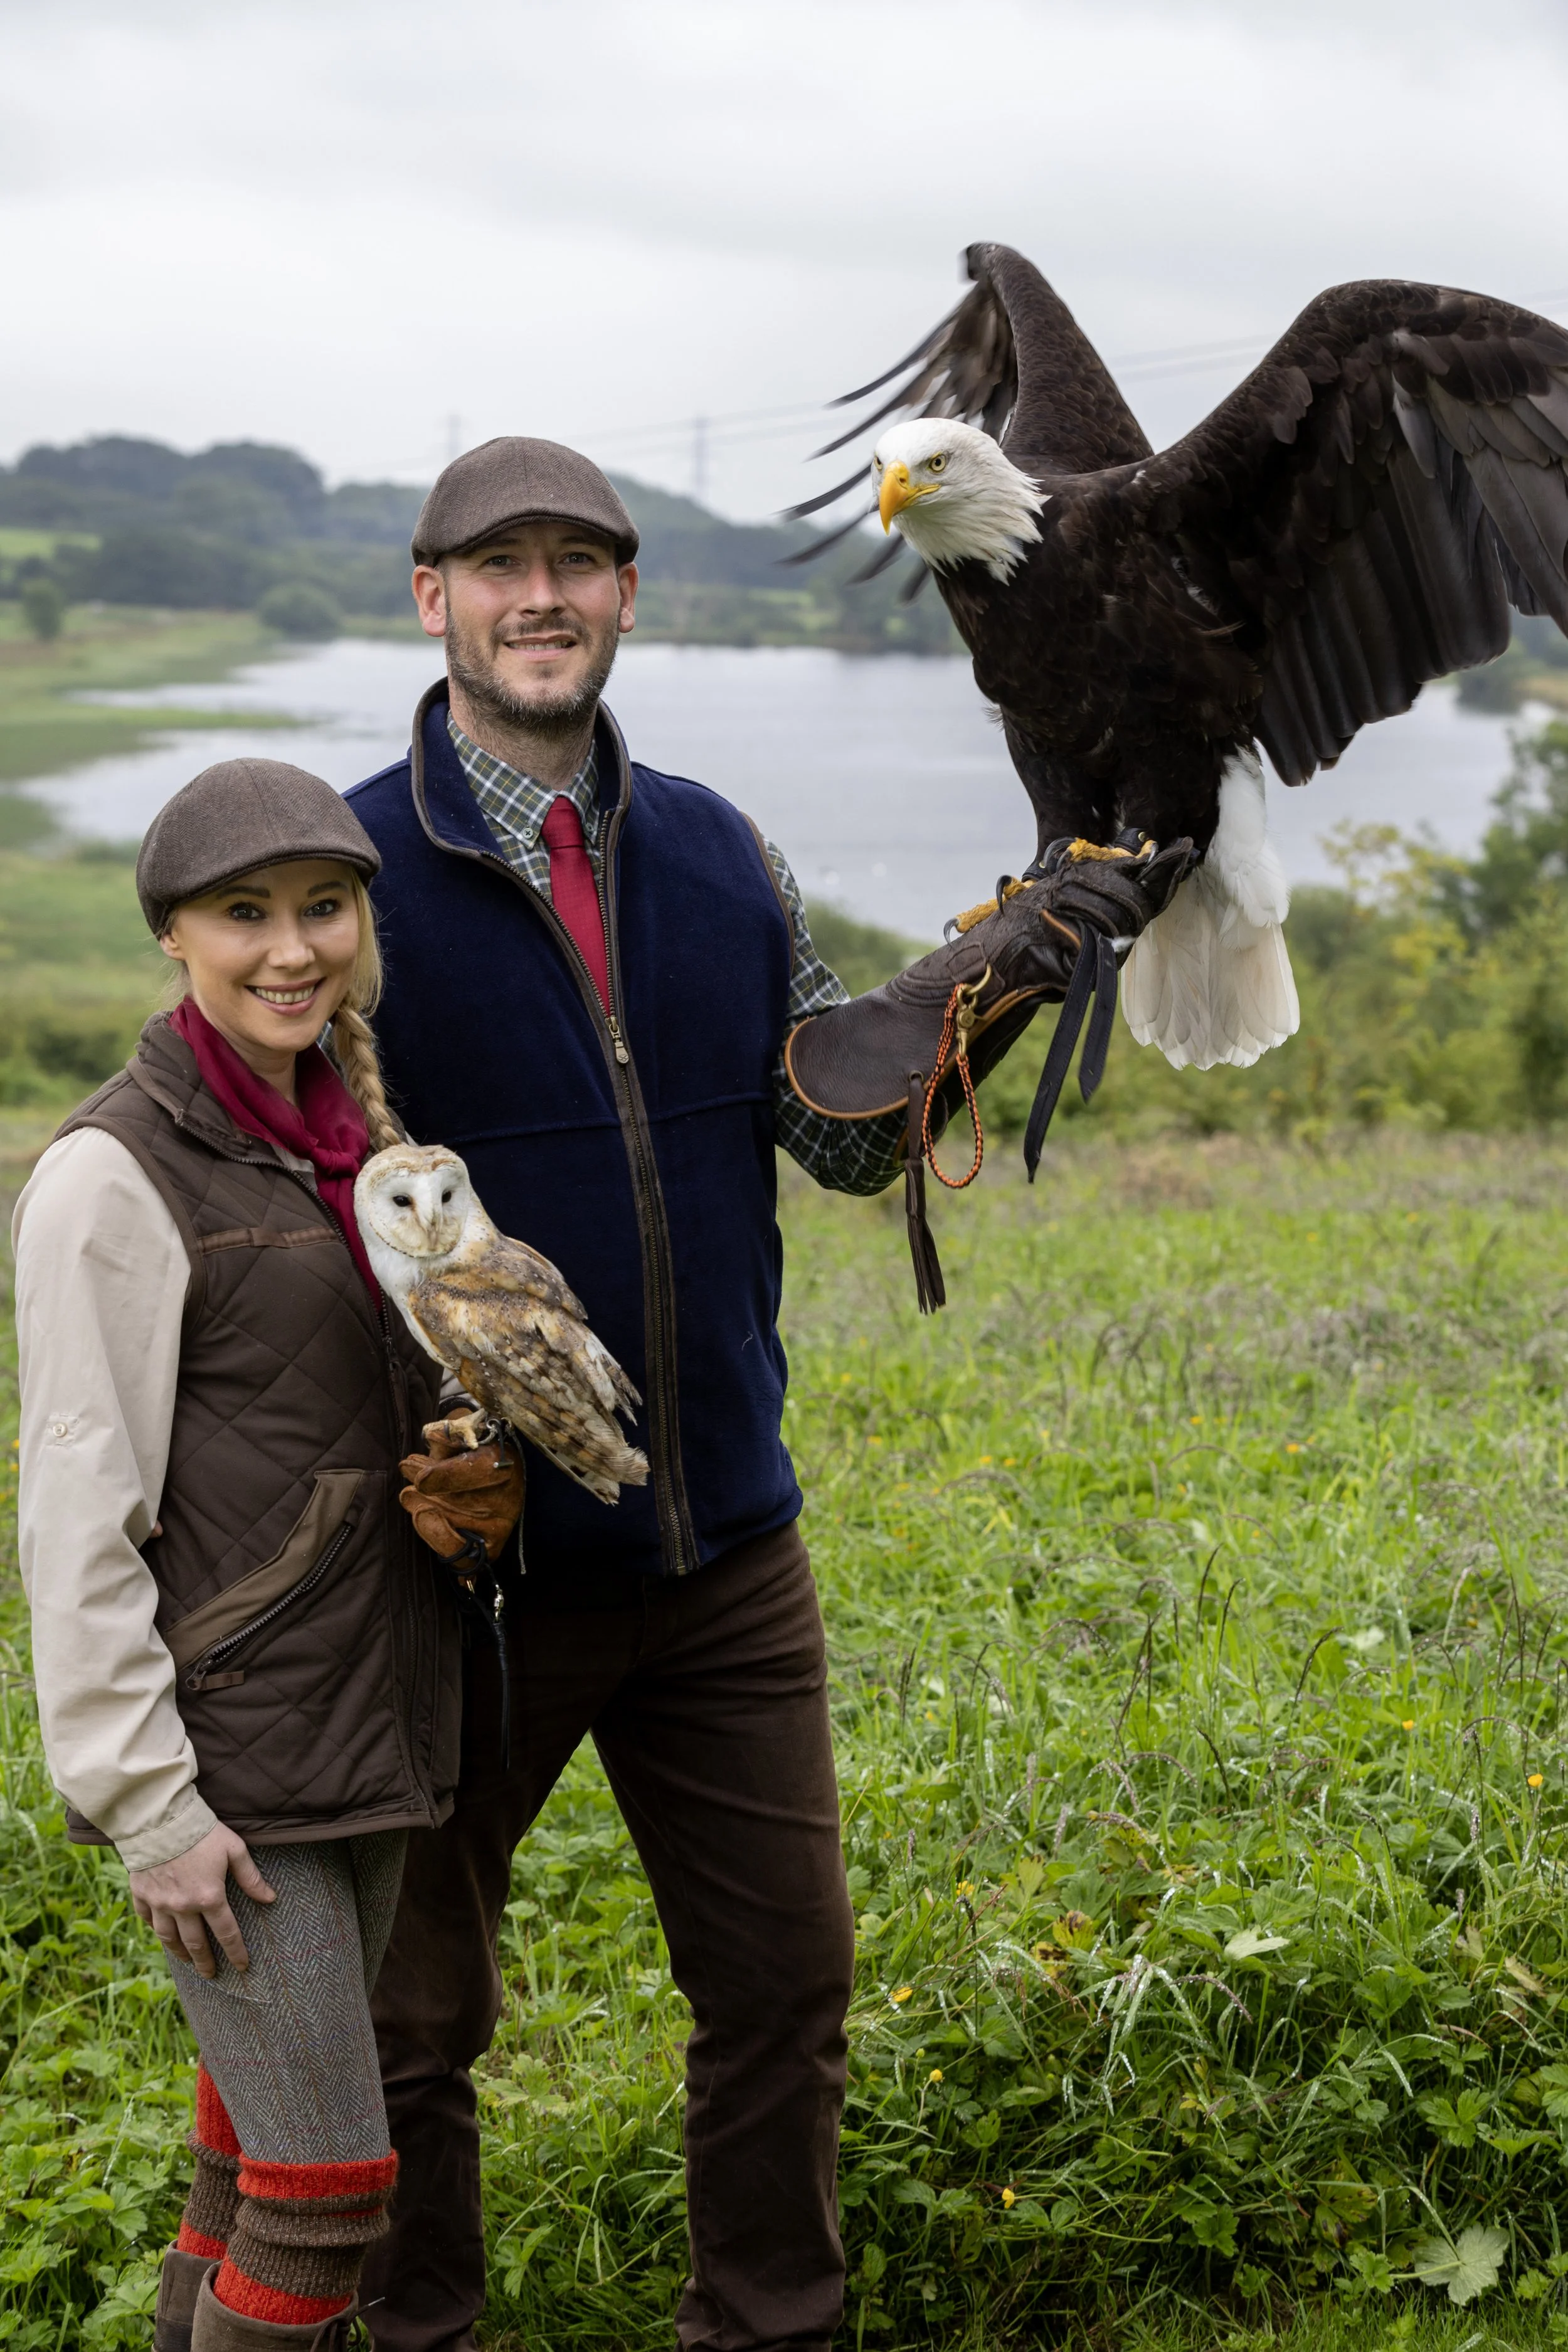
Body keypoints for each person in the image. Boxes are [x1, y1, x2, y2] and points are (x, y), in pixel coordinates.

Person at [347, 438, 1187, 2352]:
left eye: (581, 562)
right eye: (499, 568)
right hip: (463, 1558)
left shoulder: (723, 849)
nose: (542, 595)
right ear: (433, 600)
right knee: (404, 2023)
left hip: (725, 1542)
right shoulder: (347, 873)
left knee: (785, 1989)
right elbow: (271, 1170)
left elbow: (832, 1129)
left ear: (630, 595)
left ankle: (771, 2329)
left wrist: (987, 981)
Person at [11, 763, 501, 2352]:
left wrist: (463, 1476)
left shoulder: (360, 1150)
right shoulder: (112, 1175)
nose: (291, 949)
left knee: (246, 2165)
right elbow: (79, 1519)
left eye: (323, 909)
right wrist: (145, 1804)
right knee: (322, 2196)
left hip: (359, 1730)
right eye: (244, 915)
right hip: (229, 1768)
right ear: (172, 936)